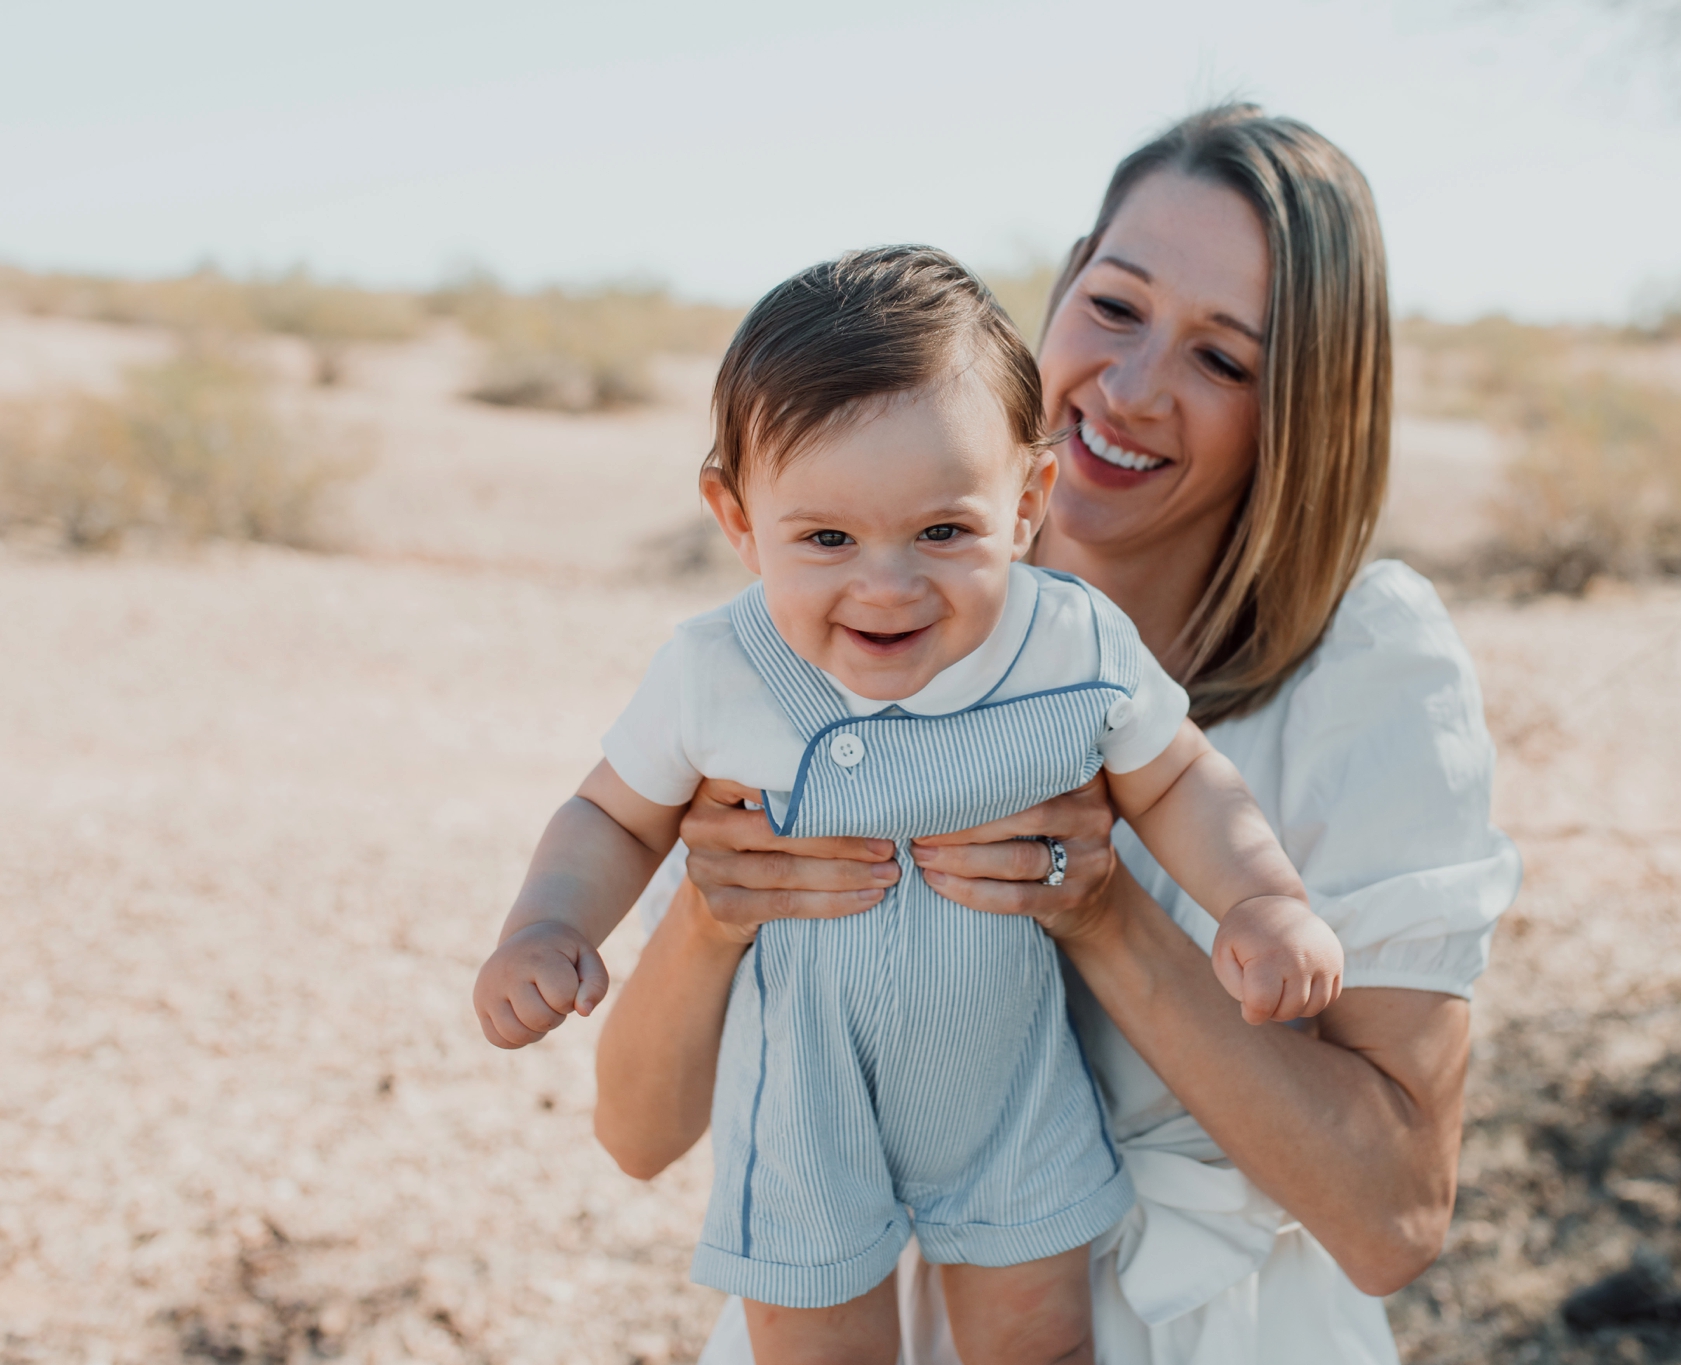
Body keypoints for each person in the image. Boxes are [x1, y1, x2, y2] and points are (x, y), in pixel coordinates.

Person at [598, 105, 1521, 1364]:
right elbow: (640, 1137)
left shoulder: (1369, 662)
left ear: (1301, 407)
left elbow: (1391, 1220)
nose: (1132, 392)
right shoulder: (852, 606)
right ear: (1065, 282)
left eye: (1224, 360)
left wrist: (1103, 912)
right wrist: (714, 919)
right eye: (1117, 307)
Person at [472, 245, 1345, 1364]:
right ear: (735, 518)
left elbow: (1176, 776)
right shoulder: (716, 670)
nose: (885, 585)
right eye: (825, 538)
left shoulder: (1067, 643)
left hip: (1008, 1091)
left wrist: (1261, 900)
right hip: (801, 1104)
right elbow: (610, 816)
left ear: (1028, 501)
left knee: (1040, 1349)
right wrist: (544, 927)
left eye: (942, 532)